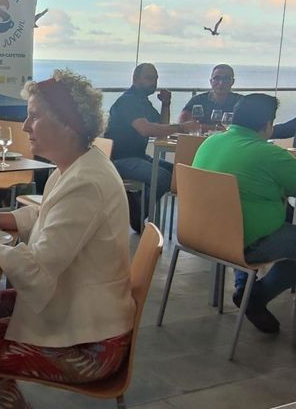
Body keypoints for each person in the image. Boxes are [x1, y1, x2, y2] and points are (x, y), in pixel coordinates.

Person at [0, 69, 135, 409]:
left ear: (69, 125)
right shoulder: (77, 166)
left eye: (35, 116)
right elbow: (46, 216)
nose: (26, 126)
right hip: (75, 309)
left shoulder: (87, 182)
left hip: (92, 344)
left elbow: (36, 267)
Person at [192, 93, 296, 334]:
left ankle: (244, 287)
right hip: (244, 241)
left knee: (244, 217)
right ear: (267, 124)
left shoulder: (211, 142)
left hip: (202, 233)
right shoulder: (269, 154)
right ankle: (256, 296)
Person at [105, 63, 198, 228]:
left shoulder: (143, 102)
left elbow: (162, 129)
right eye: (149, 78)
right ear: (135, 79)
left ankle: (136, 200)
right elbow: (145, 129)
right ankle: (136, 212)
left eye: (155, 78)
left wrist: (166, 104)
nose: (154, 82)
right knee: (162, 177)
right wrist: (182, 127)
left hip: (139, 156)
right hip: (119, 159)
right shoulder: (128, 101)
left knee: (179, 173)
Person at [178, 64, 243, 126]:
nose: (221, 83)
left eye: (226, 78)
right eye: (217, 78)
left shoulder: (241, 103)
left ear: (232, 82)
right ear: (211, 81)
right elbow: (182, 123)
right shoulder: (197, 100)